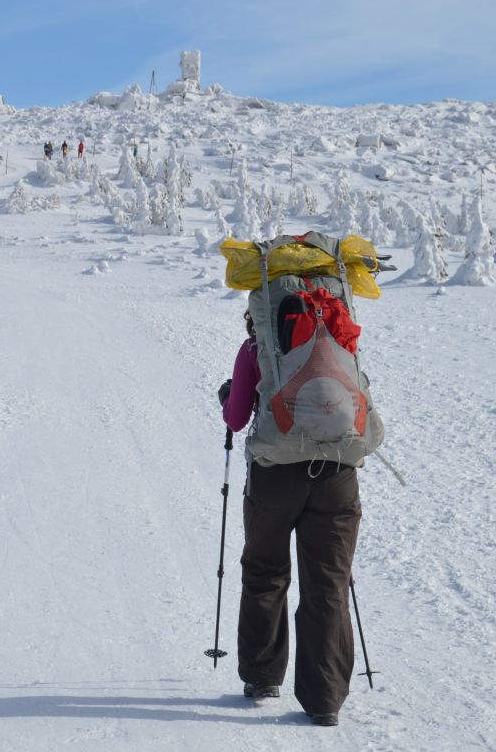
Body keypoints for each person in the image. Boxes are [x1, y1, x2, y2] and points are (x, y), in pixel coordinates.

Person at [219, 308, 361, 728]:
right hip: (337, 474)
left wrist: (228, 395)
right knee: (329, 584)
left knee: (265, 570)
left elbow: (237, 417)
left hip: (274, 475)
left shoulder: (255, 349)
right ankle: (325, 700)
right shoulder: (341, 348)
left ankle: (263, 678)